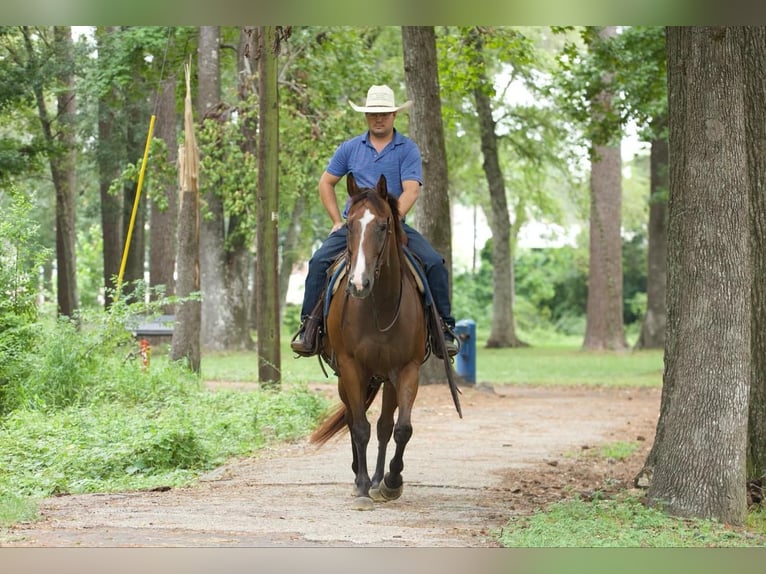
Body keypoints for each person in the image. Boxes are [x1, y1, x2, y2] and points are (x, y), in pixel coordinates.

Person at [291, 84, 458, 359]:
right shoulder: (350, 148)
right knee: (319, 261)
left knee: (433, 263)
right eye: (373, 114)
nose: (378, 118)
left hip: (391, 224)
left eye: (384, 113)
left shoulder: (407, 149)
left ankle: (444, 329)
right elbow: (326, 182)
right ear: (367, 116)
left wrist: (392, 220)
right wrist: (336, 220)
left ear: (394, 115)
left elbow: (411, 189)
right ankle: (310, 326)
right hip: (355, 226)